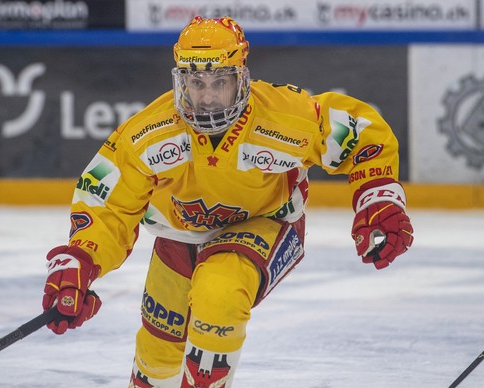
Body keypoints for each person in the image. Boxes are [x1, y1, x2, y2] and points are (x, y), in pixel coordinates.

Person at [41, 16, 414, 387]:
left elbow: (362, 133)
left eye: (220, 81)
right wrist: (82, 260)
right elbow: (108, 204)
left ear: (241, 76)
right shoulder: (148, 134)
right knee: (157, 357)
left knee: (218, 295)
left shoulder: (285, 117)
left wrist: (378, 197)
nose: (206, 96)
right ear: (180, 80)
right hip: (181, 235)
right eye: (195, 82)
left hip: (266, 224)